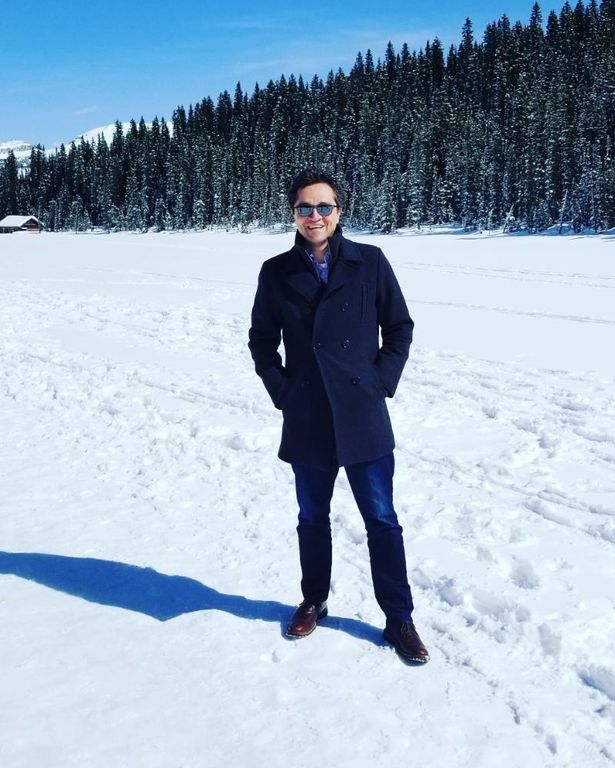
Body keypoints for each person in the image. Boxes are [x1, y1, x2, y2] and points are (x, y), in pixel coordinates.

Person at [248, 168, 429, 663]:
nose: (315, 216)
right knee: (312, 517)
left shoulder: (370, 261)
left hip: (362, 414)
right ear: (294, 214)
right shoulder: (276, 271)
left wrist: (379, 381)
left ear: (339, 211)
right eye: (305, 207)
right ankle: (314, 599)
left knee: (382, 519)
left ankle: (399, 618)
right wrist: (284, 392)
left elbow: (400, 327)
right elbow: (261, 342)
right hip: (308, 416)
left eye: (323, 206)